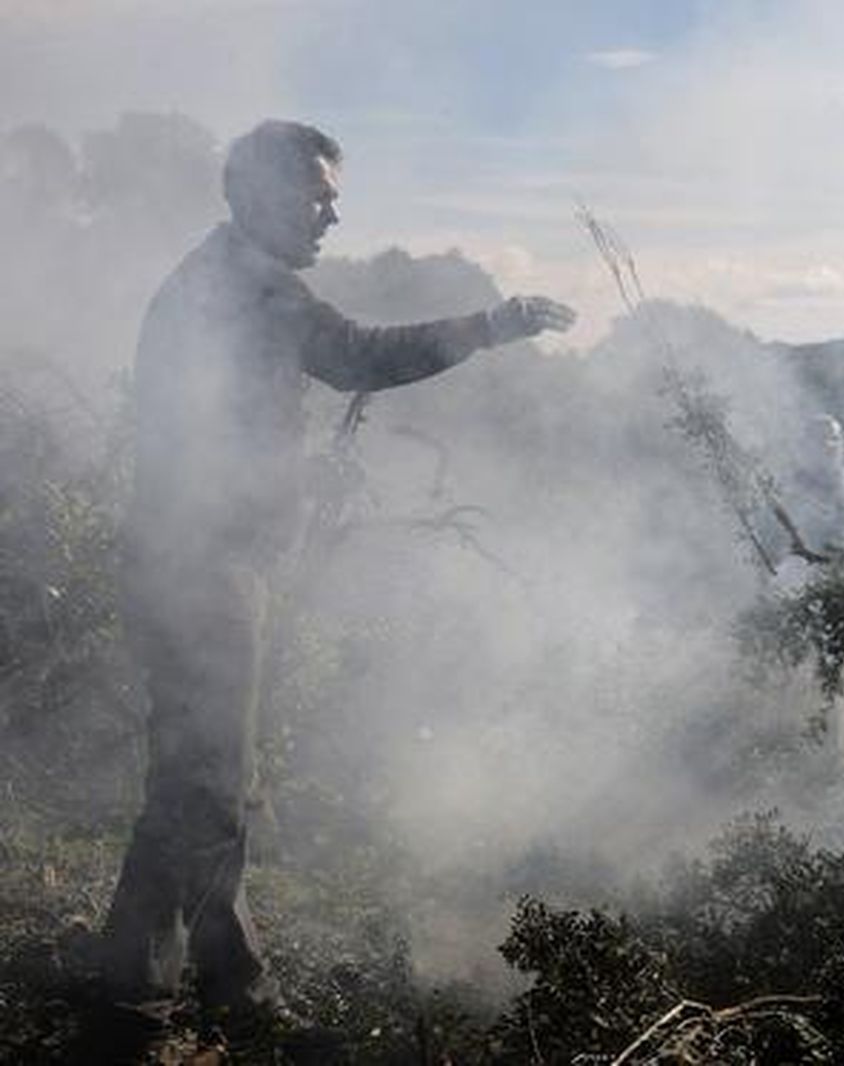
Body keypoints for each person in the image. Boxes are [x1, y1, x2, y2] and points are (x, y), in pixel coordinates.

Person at [98, 120, 574, 1033]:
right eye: (318, 195)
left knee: (206, 784)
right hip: (202, 572)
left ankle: (184, 990)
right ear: (259, 192)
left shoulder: (223, 281)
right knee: (204, 792)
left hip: (202, 563)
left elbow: (223, 428)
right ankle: (181, 1009)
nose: (333, 214)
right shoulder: (243, 286)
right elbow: (355, 355)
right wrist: (489, 326)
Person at [771, 413, 844, 589]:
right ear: (806, 445)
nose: (829, 445)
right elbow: (776, 541)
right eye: (820, 439)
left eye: (834, 438)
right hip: (803, 584)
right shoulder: (790, 485)